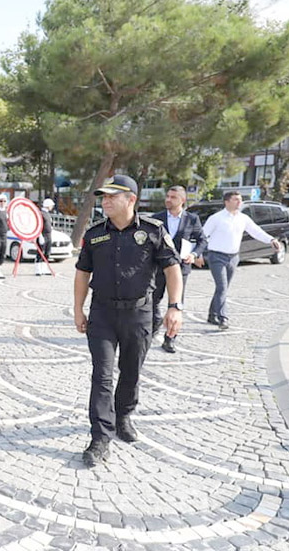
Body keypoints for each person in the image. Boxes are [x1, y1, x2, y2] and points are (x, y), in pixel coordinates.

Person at [73, 175, 182, 468]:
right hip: (103, 314)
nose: (105, 201)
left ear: (130, 199)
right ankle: (100, 437)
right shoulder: (95, 233)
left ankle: (123, 415)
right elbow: (82, 272)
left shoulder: (153, 231)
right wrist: (77, 309)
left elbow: (173, 269)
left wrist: (175, 306)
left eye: (112, 196)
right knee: (102, 374)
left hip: (139, 314)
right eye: (103, 197)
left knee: (131, 370)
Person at [203, 190, 281, 330]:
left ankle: (212, 314)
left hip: (233, 257)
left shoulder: (243, 218)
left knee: (223, 288)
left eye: (240, 200)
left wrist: (271, 239)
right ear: (227, 202)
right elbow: (203, 236)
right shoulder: (216, 218)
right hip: (216, 256)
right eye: (236, 200)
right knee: (222, 287)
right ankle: (223, 318)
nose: (239, 202)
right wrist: (195, 254)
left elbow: (256, 231)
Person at [151, 185, 208, 352]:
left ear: (182, 200)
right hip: (159, 267)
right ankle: (154, 324)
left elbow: (202, 240)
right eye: (167, 196)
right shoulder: (157, 218)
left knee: (176, 304)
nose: (168, 199)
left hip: (181, 268)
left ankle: (170, 338)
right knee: (153, 299)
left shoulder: (192, 219)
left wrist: (195, 254)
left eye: (173, 197)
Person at [35, 198, 55, 276]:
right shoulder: (41, 213)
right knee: (40, 252)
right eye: (51, 205)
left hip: (48, 235)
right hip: (42, 235)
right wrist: (39, 235)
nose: (52, 207)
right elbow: (38, 225)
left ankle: (44, 268)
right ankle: (38, 269)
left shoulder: (47, 214)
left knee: (47, 252)